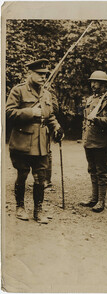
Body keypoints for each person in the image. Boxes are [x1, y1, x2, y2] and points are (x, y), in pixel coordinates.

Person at [6, 59, 64, 224]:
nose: (43, 77)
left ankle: (38, 210)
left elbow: (49, 115)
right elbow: (8, 113)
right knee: (22, 175)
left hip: (41, 144)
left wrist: (57, 127)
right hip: (22, 142)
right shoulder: (19, 91)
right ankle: (20, 207)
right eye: (39, 74)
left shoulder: (46, 94)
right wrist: (31, 112)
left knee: (40, 177)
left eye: (45, 75)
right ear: (29, 73)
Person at [80, 70, 107, 213]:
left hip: (102, 141)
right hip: (89, 140)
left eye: (96, 82)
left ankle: (101, 201)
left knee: (102, 171)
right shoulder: (90, 99)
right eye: (92, 81)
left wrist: (97, 120)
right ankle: (94, 198)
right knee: (92, 170)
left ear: (103, 84)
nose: (93, 84)